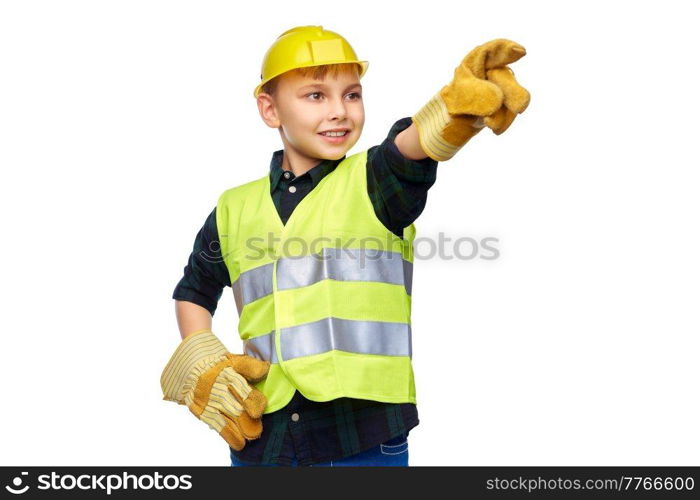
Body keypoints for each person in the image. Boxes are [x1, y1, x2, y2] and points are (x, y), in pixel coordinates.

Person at [159, 25, 529, 467]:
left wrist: (453, 110)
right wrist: (206, 360)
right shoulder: (232, 208)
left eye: (352, 95)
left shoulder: (374, 180)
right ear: (269, 108)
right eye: (316, 95)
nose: (339, 111)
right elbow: (194, 292)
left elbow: (409, 148)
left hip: (363, 435)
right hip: (263, 439)